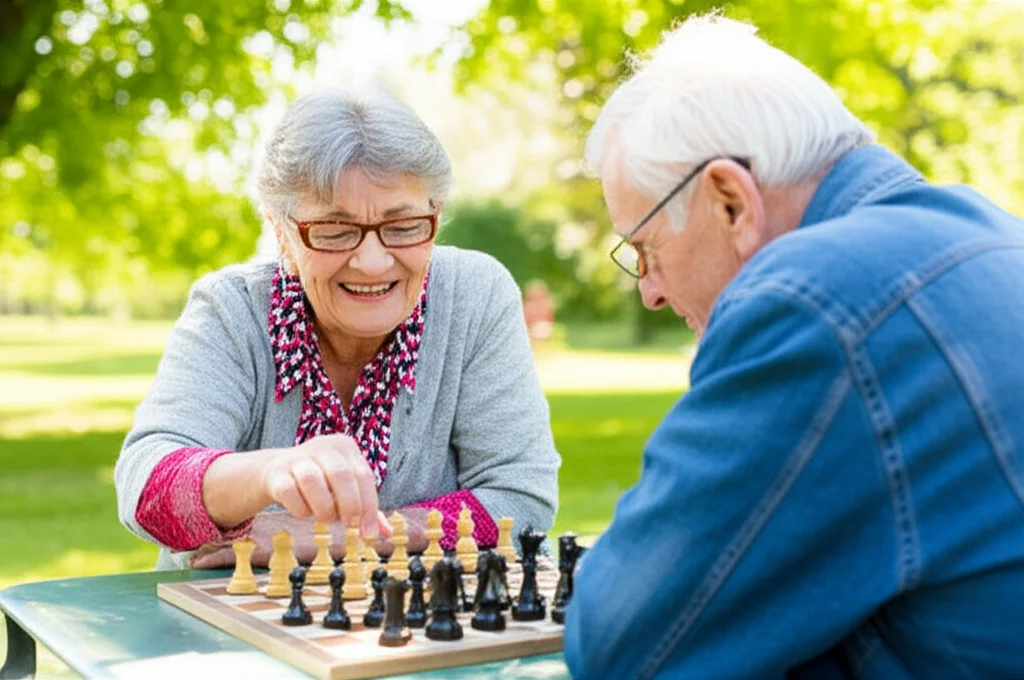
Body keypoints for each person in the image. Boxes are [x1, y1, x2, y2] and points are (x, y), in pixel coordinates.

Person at [563, 13, 1024, 680]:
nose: (650, 293)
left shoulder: (814, 299)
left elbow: (620, 643)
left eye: (644, 249)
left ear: (731, 203)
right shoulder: (993, 233)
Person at [114, 87, 560, 570]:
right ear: (282, 232)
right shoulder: (232, 309)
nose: (371, 261)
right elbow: (146, 492)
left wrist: (329, 538)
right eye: (333, 229)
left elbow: (521, 498)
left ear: (436, 214)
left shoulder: (475, 296)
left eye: (404, 224)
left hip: (414, 634)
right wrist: (271, 471)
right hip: (225, 630)